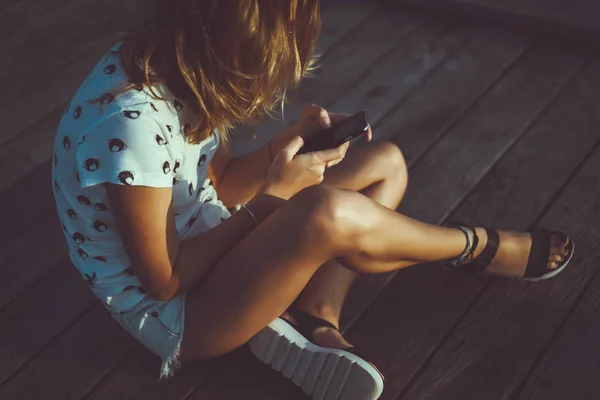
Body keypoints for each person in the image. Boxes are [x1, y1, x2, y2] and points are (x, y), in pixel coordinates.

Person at [51, 1, 573, 399]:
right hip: (181, 317)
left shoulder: (179, 67)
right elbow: (164, 280)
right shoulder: (128, 123)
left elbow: (224, 180)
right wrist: (277, 197)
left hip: (211, 236)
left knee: (383, 162)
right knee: (327, 212)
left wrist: (288, 145)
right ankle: (471, 247)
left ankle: (315, 313)